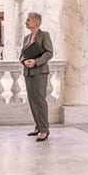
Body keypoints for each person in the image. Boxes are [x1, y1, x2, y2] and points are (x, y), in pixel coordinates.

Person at [21, 12, 54, 142]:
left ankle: (44, 130)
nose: (26, 22)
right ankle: (38, 126)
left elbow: (49, 53)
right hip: (28, 72)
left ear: (36, 22)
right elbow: (22, 55)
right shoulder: (26, 38)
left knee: (40, 100)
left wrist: (36, 62)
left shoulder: (44, 35)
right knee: (32, 100)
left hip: (40, 71)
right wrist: (24, 62)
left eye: (28, 20)